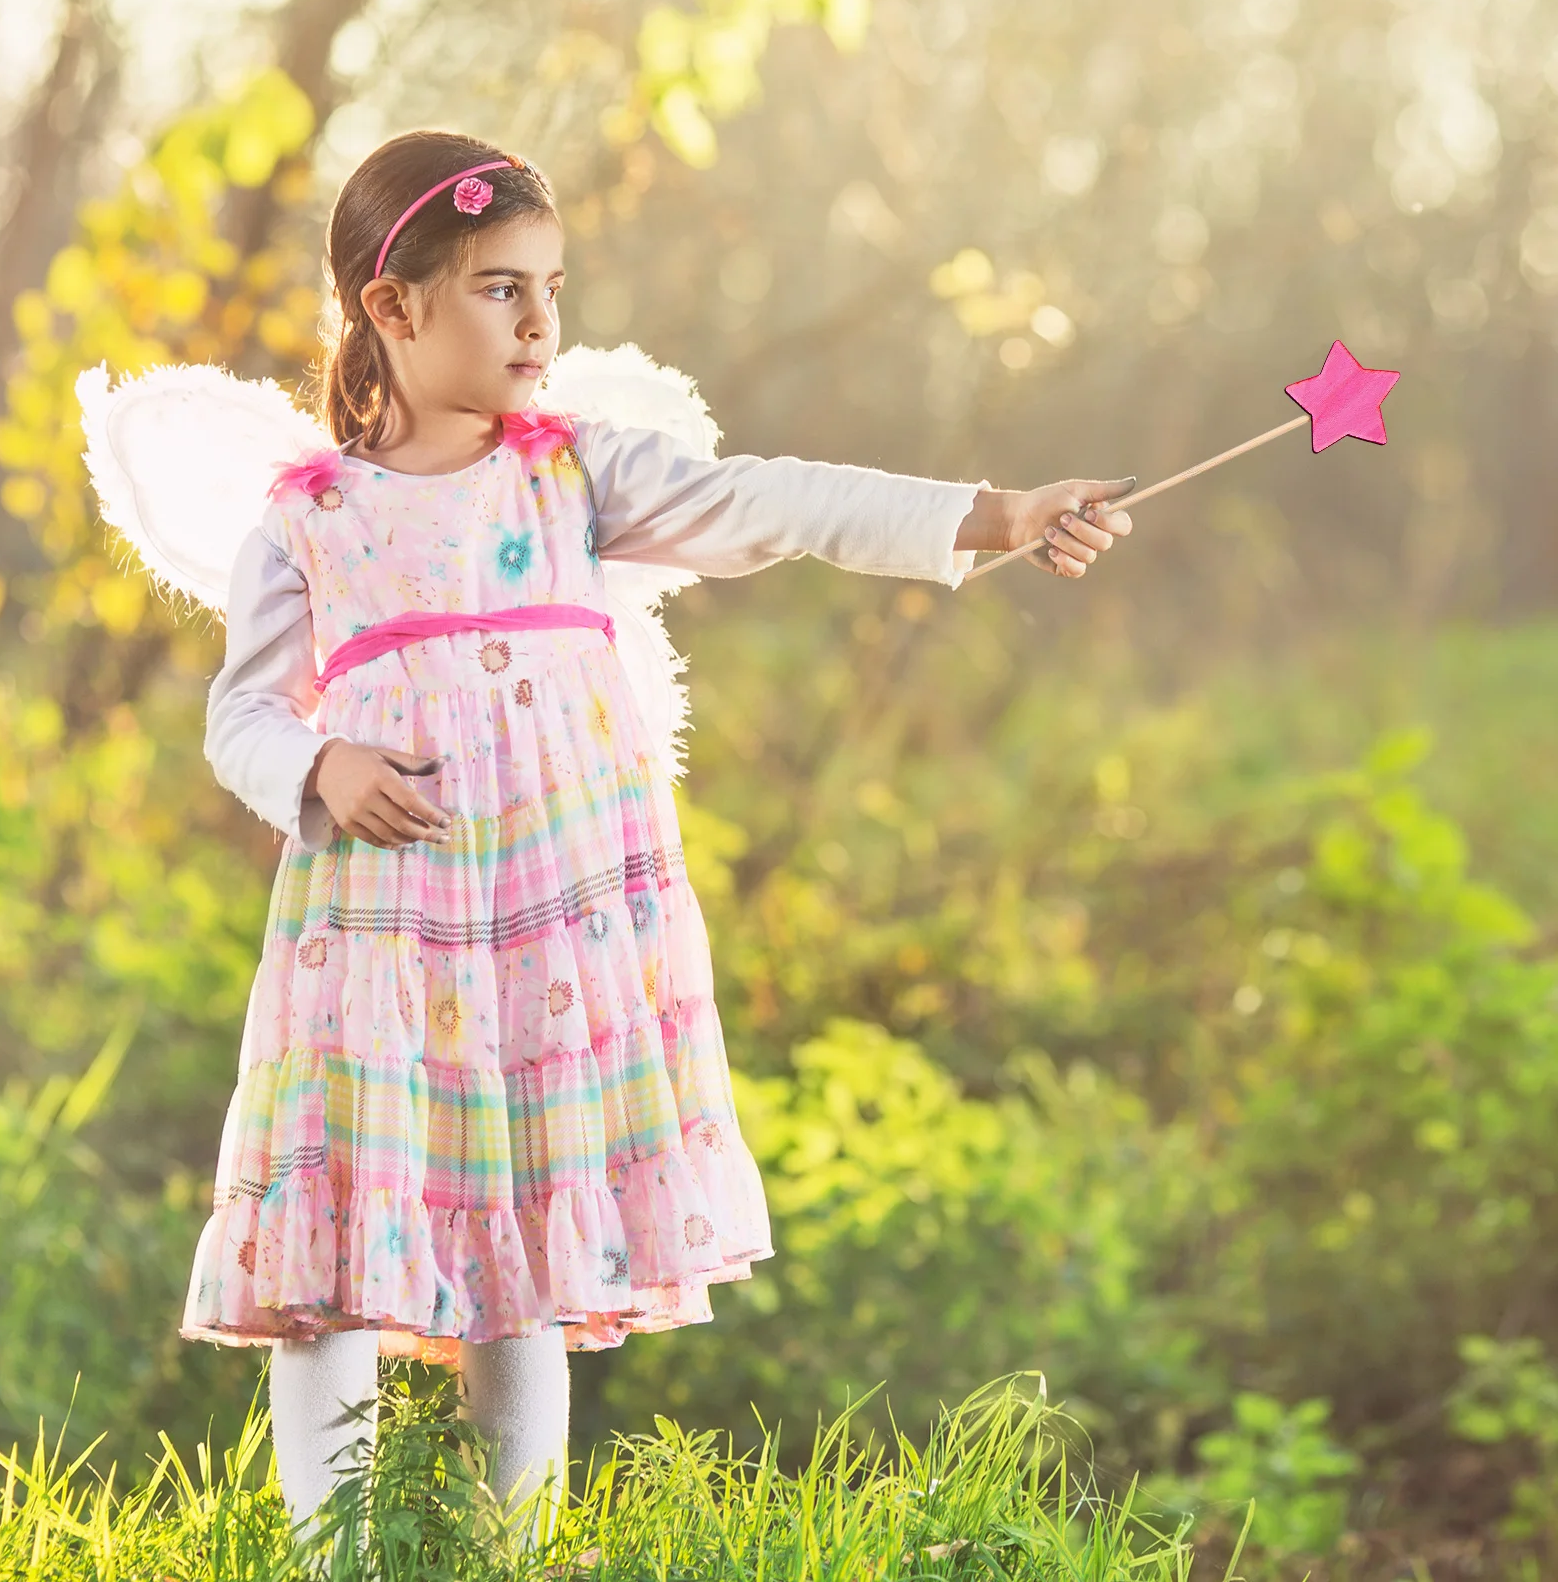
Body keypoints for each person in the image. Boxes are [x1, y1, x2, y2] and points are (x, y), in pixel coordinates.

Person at [181, 128, 1135, 1546]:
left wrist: (994, 516)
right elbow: (238, 714)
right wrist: (318, 762)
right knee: (336, 1218)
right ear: (392, 309)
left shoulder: (576, 476)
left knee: (525, 1240)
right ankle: (337, 1554)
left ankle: (505, 1550)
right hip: (382, 932)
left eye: (552, 287)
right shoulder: (315, 521)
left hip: (552, 923)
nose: (543, 323)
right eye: (503, 289)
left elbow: (777, 501)